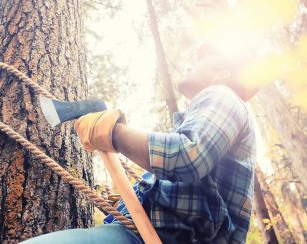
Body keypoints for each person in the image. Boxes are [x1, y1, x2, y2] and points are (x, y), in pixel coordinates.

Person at [22, 44, 259, 244]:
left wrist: (111, 132)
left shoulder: (222, 94)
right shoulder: (217, 119)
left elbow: (186, 156)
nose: (192, 62)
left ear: (222, 74)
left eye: (203, 58)